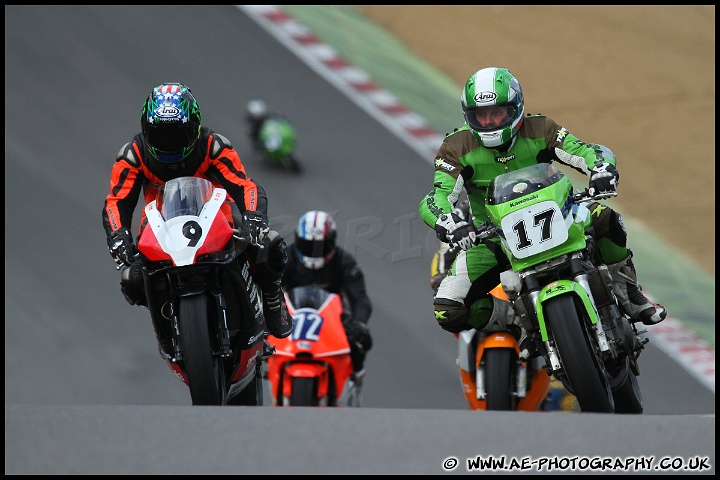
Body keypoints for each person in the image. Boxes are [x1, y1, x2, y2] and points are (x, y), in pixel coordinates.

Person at [419, 67, 666, 340]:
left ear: (516, 109)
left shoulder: (541, 127)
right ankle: (518, 322)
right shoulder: (455, 147)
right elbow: (436, 196)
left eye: (497, 113)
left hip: (561, 216)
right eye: (481, 115)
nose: (489, 122)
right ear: (469, 115)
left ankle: (628, 293)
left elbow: (584, 151)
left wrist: (602, 169)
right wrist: (448, 221)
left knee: (605, 217)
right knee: (447, 308)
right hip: (498, 237)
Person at [102, 82, 293, 342]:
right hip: (159, 236)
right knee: (131, 278)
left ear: (195, 126)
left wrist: (254, 215)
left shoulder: (213, 145)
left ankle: (272, 299)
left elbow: (244, 185)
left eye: (178, 134)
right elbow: (117, 202)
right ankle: (171, 322)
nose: (170, 143)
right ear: (147, 131)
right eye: (161, 135)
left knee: (270, 245)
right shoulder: (133, 155)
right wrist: (118, 235)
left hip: (217, 225)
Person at [283, 210, 373, 386]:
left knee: (362, 339)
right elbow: (266, 288)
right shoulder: (285, 257)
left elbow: (360, 298)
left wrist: (359, 323)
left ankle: (355, 376)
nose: (315, 252)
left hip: (332, 316)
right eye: (309, 245)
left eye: (321, 245)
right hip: (289, 315)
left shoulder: (345, 260)